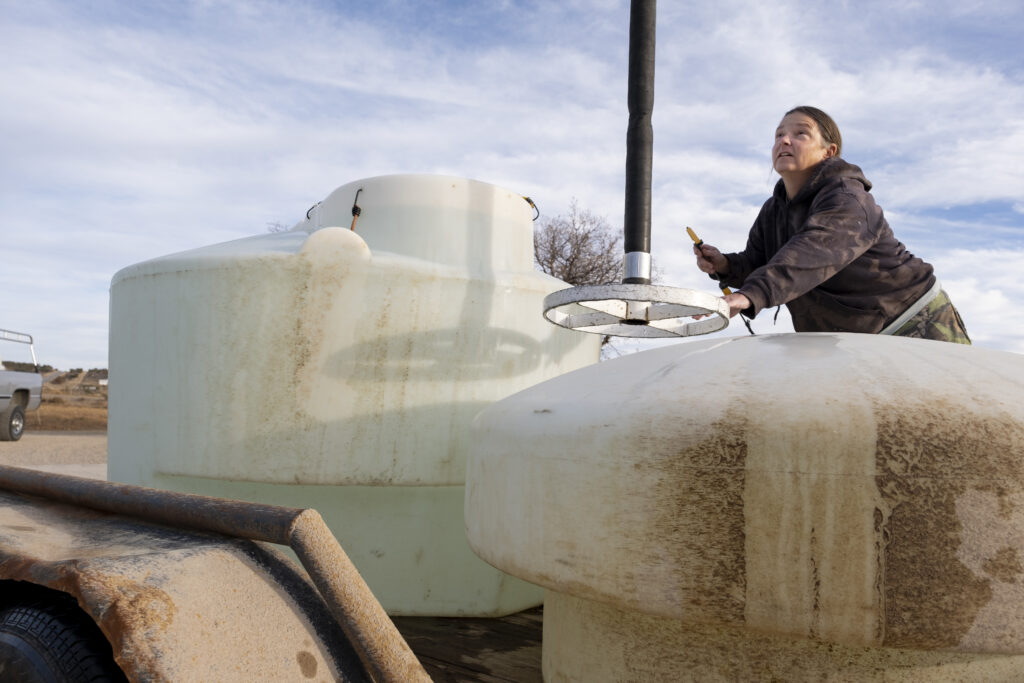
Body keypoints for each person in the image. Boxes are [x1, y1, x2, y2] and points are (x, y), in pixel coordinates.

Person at [694, 106, 970, 344]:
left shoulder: (848, 198)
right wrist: (726, 266)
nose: (785, 141)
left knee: (954, 407)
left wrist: (750, 295)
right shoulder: (773, 211)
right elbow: (761, 264)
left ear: (829, 151)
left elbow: (811, 255)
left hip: (914, 322)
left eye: (800, 133)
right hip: (848, 340)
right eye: (779, 135)